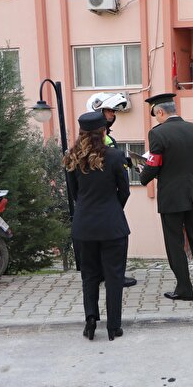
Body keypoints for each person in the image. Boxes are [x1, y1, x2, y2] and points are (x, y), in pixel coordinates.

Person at [139, 93, 193, 301]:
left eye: (155, 114)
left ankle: (184, 289)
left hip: (172, 196)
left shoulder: (157, 134)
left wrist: (142, 175)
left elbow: (153, 164)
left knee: (175, 244)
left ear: (161, 111)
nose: (156, 119)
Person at [64, 111, 130, 341]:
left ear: (82, 132)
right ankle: (114, 327)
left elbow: (75, 195)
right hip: (112, 226)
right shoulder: (114, 156)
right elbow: (125, 191)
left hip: (84, 227)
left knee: (89, 276)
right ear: (103, 132)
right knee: (114, 276)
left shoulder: (71, 157)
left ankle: (90, 320)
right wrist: (113, 208)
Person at [86, 92, 138, 288]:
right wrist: (116, 204)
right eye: (108, 110)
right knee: (113, 241)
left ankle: (104, 274)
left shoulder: (105, 139)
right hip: (105, 202)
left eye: (113, 111)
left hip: (98, 204)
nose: (112, 114)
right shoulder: (100, 140)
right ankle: (112, 276)